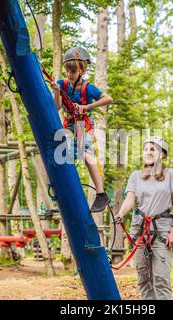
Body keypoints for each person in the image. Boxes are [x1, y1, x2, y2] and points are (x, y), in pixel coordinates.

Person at [114, 136, 173, 300]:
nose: (148, 152)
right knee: (143, 279)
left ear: (162, 154)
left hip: (163, 231)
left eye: (152, 149)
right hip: (139, 231)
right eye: (146, 149)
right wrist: (121, 213)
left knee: (161, 279)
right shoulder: (135, 176)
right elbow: (130, 199)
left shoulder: (170, 174)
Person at [51, 46, 113, 213]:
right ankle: (62, 189)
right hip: (68, 124)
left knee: (84, 153)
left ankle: (101, 194)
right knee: (61, 153)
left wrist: (87, 106)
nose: (70, 74)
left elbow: (108, 99)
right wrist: (56, 92)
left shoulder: (87, 87)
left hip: (82, 124)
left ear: (82, 71)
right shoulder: (61, 84)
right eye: (68, 70)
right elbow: (56, 107)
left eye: (74, 71)